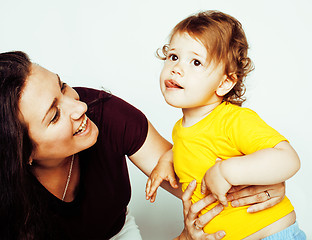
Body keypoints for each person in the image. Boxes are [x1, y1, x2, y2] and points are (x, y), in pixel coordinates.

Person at [0, 51, 286, 240]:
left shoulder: (105, 113)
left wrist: (257, 177)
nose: (80, 106)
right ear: (20, 153)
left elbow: (195, 181)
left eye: (63, 87)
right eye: (54, 115)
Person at [146, 10, 306, 239]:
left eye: (196, 62)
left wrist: (227, 170)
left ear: (224, 82)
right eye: (173, 56)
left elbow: (289, 159)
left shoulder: (234, 120)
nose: (177, 68)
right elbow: (194, 146)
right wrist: (166, 159)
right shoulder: (181, 129)